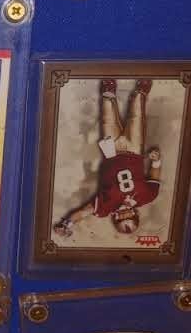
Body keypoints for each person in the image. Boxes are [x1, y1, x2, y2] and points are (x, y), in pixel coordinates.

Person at [54, 79, 161, 238]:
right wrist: (156, 161)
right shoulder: (147, 196)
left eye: (121, 218)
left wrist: (67, 224)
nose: (124, 213)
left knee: (108, 118)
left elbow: (83, 212)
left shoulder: (105, 207)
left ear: (115, 218)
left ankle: (108, 90)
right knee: (137, 116)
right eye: (128, 216)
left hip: (111, 153)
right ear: (135, 214)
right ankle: (141, 91)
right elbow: (154, 178)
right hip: (134, 150)